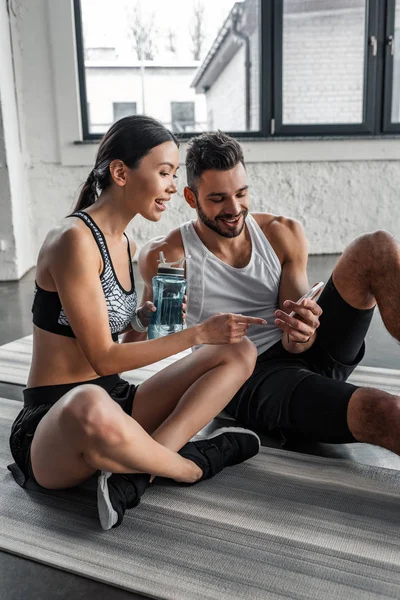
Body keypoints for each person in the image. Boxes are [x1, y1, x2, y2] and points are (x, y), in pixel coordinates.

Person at [8, 117, 266, 531]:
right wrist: (197, 334)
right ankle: (191, 465)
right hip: (55, 422)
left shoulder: (125, 240)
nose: (170, 187)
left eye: (174, 175)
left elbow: (117, 354)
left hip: (116, 401)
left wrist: (140, 322)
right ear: (121, 172)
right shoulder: (73, 240)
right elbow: (103, 356)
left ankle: (137, 474)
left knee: (239, 350)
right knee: (87, 401)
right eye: (163, 173)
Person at [139, 130, 400, 455]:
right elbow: (138, 346)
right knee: (385, 411)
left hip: (304, 354)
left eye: (242, 193)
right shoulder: (166, 256)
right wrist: (147, 323)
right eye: (218, 199)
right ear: (192, 199)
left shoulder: (281, 232)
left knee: (376, 246)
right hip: (251, 378)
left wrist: (302, 331)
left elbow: (299, 339)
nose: (234, 208)